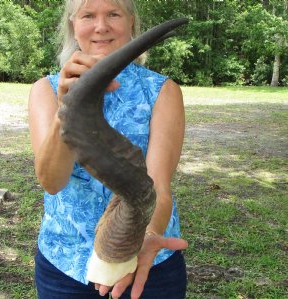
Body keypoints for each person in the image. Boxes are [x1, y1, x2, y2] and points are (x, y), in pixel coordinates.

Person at [28, 0, 188, 298]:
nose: (101, 26)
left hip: (147, 263)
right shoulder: (45, 90)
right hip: (65, 266)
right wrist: (67, 107)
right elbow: (52, 182)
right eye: (89, 15)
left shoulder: (162, 91)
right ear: (74, 25)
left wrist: (147, 238)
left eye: (113, 14)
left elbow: (159, 187)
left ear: (131, 23)